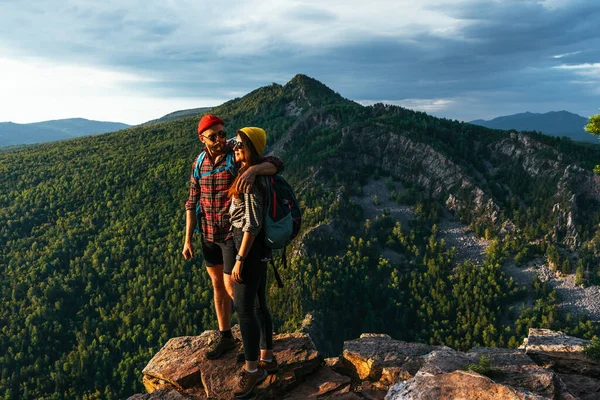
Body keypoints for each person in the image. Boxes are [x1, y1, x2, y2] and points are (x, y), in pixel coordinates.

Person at [182, 115, 283, 360]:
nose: (219, 139)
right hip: (207, 234)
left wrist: (255, 170)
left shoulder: (233, 153)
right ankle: (226, 336)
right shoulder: (199, 162)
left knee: (234, 290)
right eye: (213, 135)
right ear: (202, 138)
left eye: (221, 133)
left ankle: (256, 345)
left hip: (230, 235)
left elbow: (276, 163)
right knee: (218, 285)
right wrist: (187, 239)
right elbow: (191, 200)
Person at [228, 127, 276, 398]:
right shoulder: (251, 171)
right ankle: (267, 358)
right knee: (259, 305)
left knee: (244, 309)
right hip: (257, 250)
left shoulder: (251, 181)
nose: (235, 148)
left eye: (240, 145)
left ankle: (252, 370)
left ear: (252, 149)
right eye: (234, 144)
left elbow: (253, 224)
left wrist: (239, 258)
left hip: (248, 246)